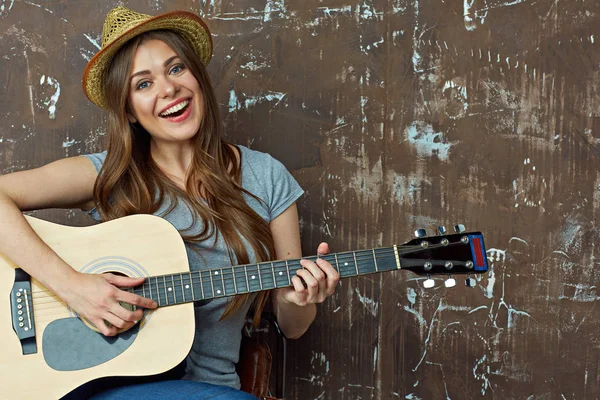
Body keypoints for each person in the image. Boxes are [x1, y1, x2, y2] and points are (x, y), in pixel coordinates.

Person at [0, 6, 340, 400]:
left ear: (196, 75)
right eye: (143, 84)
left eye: (176, 69)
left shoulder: (266, 177)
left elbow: (293, 326)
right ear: (127, 109)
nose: (167, 89)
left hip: (212, 389)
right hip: (108, 386)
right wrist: (74, 287)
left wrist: (297, 297)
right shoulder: (107, 174)